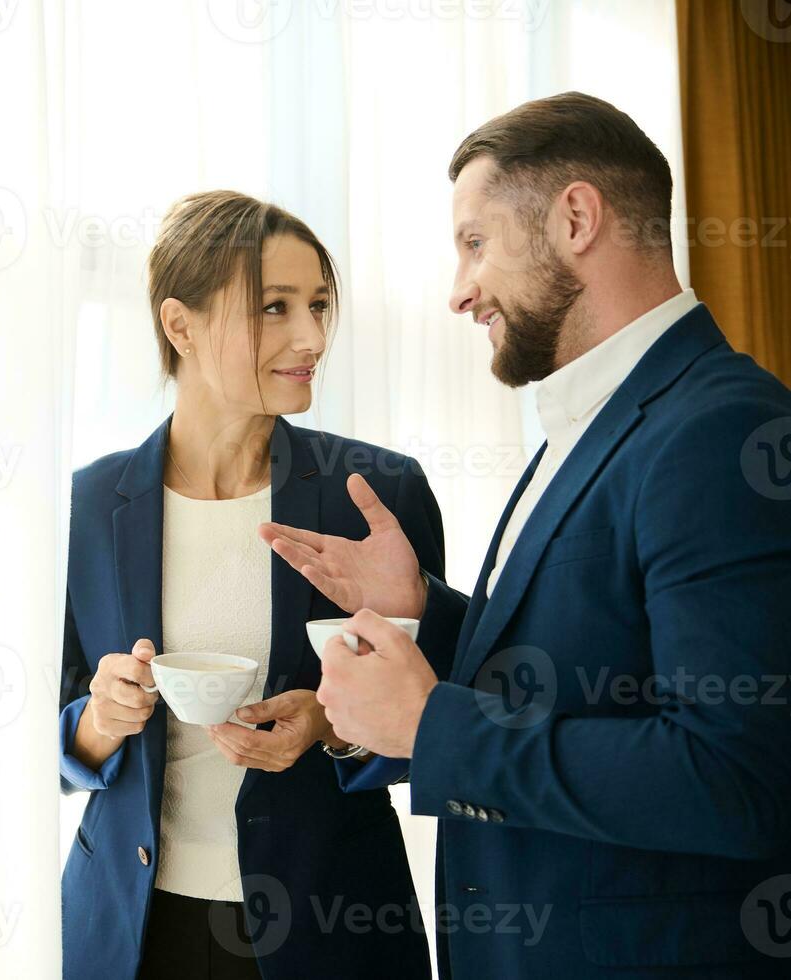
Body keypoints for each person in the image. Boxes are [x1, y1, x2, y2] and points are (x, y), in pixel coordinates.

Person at [264, 92, 791, 978]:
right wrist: (422, 613)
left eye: (474, 242)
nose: (458, 291)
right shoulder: (585, 421)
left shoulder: (721, 431)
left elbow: (737, 777)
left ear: (576, 218)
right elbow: (599, 668)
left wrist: (435, 728)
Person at [58, 190, 449, 979]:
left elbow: (445, 713)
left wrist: (332, 724)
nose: (310, 336)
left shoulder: (375, 492)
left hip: (329, 925)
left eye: (317, 305)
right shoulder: (89, 503)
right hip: (130, 927)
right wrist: (99, 718)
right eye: (273, 307)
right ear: (180, 326)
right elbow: (40, 726)